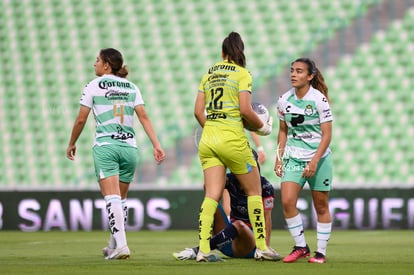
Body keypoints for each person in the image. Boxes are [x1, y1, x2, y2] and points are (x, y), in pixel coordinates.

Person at [66, 48, 165, 260]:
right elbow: (144, 116)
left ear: (106, 65)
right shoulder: (131, 86)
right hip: (129, 148)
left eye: (97, 60)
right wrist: (156, 144)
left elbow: (81, 119)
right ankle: (113, 244)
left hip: (106, 146)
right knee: (121, 200)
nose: (94, 64)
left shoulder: (93, 85)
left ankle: (122, 246)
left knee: (112, 198)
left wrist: (72, 142)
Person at [193, 31, 276, 262]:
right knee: (254, 192)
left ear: (222, 52)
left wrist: (212, 129)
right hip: (232, 139)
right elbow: (245, 110)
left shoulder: (208, 73)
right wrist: (263, 128)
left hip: (208, 140)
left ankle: (203, 250)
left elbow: (198, 112)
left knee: (212, 195)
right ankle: (262, 248)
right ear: (241, 52)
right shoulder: (242, 74)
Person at [274, 57, 333, 264]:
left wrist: (315, 161)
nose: (293, 74)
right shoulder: (284, 100)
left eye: (299, 71)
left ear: (310, 76)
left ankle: (321, 252)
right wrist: (279, 158)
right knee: (288, 201)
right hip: (294, 158)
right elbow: (282, 131)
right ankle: (301, 247)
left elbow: (327, 135)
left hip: (319, 159)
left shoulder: (319, 100)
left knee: (321, 206)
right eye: (292, 70)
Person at [173, 150, 281, 261]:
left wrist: (266, 246)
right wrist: (218, 167)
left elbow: (267, 217)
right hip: (228, 239)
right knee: (211, 205)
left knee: (239, 224)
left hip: (249, 244)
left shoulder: (265, 186)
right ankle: (204, 250)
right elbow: (208, 189)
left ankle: (196, 251)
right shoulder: (231, 179)